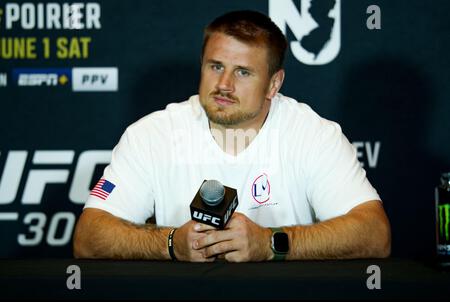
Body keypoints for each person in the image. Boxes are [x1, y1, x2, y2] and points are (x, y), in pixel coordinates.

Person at [73, 10, 391, 262]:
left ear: (273, 84)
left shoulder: (313, 135)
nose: (224, 84)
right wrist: (170, 244)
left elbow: (376, 235)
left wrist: (271, 243)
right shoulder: (152, 134)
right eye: (215, 66)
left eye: (242, 72)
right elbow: (88, 237)